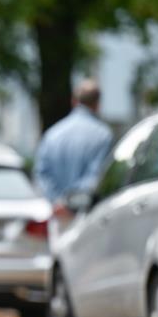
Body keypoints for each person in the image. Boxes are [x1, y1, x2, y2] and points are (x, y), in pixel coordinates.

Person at [33, 79, 113, 217]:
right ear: (97, 104)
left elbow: (42, 173)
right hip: (85, 215)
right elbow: (96, 176)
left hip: (55, 213)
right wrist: (70, 203)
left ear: (74, 101)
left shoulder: (52, 133)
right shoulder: (103, 135)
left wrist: (57, 201)